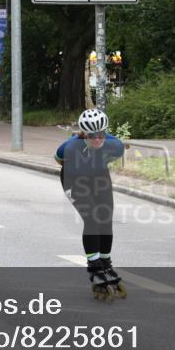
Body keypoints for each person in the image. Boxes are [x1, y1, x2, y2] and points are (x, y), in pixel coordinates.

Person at [55, 108, 127, 298]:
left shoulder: (115, 145)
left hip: (99, 177)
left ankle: (105, 262)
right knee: (93, 218)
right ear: (84, 133)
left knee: (105, 218)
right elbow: (58, 159)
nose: (97, 139)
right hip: (74, 179)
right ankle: (94, 266)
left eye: (101, 134)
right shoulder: (70, 147)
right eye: (92, 135)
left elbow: (112, 157)